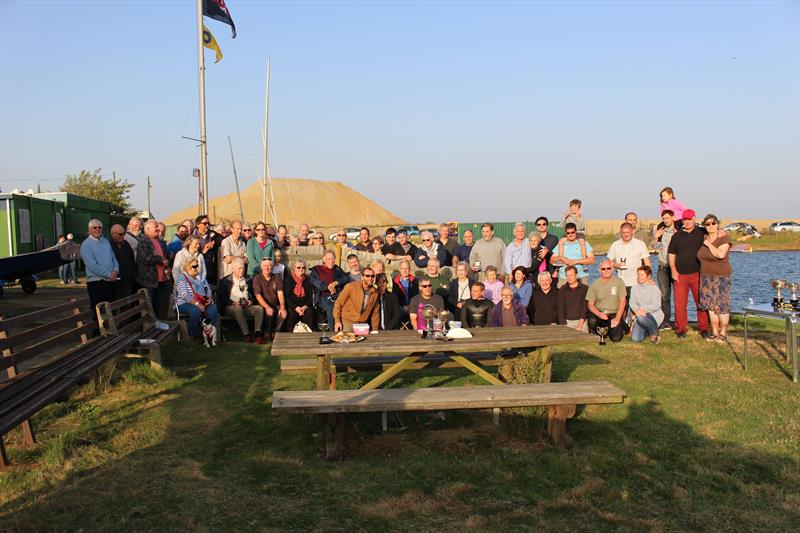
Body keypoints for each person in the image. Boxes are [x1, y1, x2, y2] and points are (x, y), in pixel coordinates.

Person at [667, 209, 711, 339]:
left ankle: (704, 328)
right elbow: (671, 254)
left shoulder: (701, 232)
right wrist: (673, 270)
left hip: (698, 274)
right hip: (680, 275)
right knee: (680, 304)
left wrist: (721, 231)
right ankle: (681, 329)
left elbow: (715, 231)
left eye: (689, 219)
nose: (687, 222)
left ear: (694, 219)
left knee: (701, 302)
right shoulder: (677, 236)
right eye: (685, 219)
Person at [698, 214, 732, 342]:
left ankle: (723, 333)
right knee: (710, 306)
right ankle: (714, 332)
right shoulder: (704, 236)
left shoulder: (723, 238)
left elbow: (720, 254)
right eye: (708, 224)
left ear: (718, 224)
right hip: (705, 277)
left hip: (721, 276)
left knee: (722, 305)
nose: (711, 226)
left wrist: (709, 244)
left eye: (714, 223)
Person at [606, 222, 652, 317]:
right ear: (621, 233)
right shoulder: (616, 245)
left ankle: (634, 327)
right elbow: (609, 261)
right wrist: (617, 265)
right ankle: (621, 326)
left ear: (632, 232)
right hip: (620, 281)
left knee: (635, 306)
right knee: (621, 306)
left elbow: (647, 262)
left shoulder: (640, 244)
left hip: (636, 281)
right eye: (623, 232)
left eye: (628, 232)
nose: (626, 234)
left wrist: (648, 278)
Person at [217, 258, 265, 343]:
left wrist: (251, 301)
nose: (242, 270)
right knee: (238, 309)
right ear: (233, 269)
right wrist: (232, 302)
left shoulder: (248, 280)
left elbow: (253, 294)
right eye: (239, 268)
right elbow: (222, 297)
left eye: (243, 268)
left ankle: (257, 333)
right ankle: (246, 334)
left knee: (259, 309)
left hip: (246, 305)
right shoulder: (225, 280)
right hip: (231, 306)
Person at [175, 256, 219, 341]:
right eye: (194, 266)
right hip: (184, 303)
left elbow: (208, 290)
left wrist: (208, 299)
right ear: (187, 267)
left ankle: (209, 334)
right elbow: (184, 295)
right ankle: (193, 334)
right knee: (195, 311)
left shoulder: (201, 278)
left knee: (213, 309)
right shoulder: (181, 278)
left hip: (201, 301)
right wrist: (197, 304)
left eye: (197, 266)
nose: (196, 268)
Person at [80, 219, 119, 312]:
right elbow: (92, 265)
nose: (97, 229)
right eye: (94, 227)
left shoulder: (106, 241)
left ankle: (112, 327)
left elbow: (114, 259)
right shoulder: (86, 245)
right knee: (100, 313)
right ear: (89, 229)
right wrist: (109, 274)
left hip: (112, 281)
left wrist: (116, 270)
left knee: (112, 310)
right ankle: (99, 327)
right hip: (97, 284)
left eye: (99, 227)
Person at [136, 220, 171, 320]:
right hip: (149, 280)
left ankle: (161, 325)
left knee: (161, 305)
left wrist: (166, 264)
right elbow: (145, 258)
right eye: (155, 227)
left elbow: (164, 257)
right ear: (147, 229)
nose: (158, 229)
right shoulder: (143, 241)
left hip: (162, 280)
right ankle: (151, 328)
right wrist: (160, 259)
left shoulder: (159, 241)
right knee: (150, 307)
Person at [586, 259, 628, 342]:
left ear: (612, 269)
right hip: (600, 313)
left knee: (616, 338)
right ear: (599, 270)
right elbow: (590, 304)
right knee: (592, 320)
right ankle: (602, 332)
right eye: (603, 269)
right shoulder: (594, 284)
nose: (606, 271)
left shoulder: (619, 282)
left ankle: (620, 326)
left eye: (608, 268)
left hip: (614, 314)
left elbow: (623, 302)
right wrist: (599, 314)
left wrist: (617, 319)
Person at [309, 250, 350, 329]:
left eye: (333, 259)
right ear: (324, 260)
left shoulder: (337, 269)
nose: (331, 261)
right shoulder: (317, 270)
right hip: (323, 296)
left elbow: (346, 277)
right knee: (332, 307)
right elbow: (313, 281)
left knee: (347, 304)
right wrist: (328, 286)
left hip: (337, 294)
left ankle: (346, 328)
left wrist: (336, 282)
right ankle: (333, 331)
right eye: (329, 259)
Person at [333, 267, 380, 332]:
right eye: (367, 276)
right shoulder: (350, 287)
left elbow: (375, 312)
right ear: (362, 277)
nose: (370, 278)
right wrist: (337, 321)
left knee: (364, 341)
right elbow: (338, 303)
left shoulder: (375, 292)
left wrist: (375, 329)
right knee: (346, 340)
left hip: (362, 323)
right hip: (347, 321)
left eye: (372, 276)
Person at [550, 223, 595, 288]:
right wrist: (561, 258)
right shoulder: (561, 244)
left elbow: (592, 260)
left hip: (580, 276)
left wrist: (576, 261)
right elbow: (552, 260)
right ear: (566, 233)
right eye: (568, 233)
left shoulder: (583, 243)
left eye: (572, 232)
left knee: (582, 297)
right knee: (562, 297)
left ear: (576, 232)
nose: (570, 234)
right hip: (564, 278)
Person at [253, 257, 287, 340]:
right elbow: (258, 296)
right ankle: (267, 333)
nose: (267, 268)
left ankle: (275, 332)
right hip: (263, 305)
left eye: (269, 266)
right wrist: (267, 307)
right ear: (261, 267)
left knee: (283, 314)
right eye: (265, 266)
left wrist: (282, 307)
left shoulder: (277, 278)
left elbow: (280, 293)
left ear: (272, 267)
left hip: (275, 304)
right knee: (269, 312)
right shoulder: (257, 278)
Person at [654, 210, 677, 329]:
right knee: (664, 296)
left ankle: (679, 321)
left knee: (678, 296)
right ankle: (666, 321)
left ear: (673, 218)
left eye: (667, 218)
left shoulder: (678, 229)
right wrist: (656, 238)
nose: (665, 220)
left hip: (677, 267)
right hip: (663, 266)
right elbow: (656, 249)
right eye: (663, 218)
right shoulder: (661, 230)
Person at [629, 265, 663, 344]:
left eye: (642, 275)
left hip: (653, 315)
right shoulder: (634, 288)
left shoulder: (655, 289)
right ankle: (650, 330)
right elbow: (632, 302)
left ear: (648, 276)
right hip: (639, 314)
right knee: (636, 339)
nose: (639, 277)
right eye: (638, 274)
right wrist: (638, 311)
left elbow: (656, 305)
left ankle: (654, 334)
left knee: (641, 317)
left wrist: (642, 310)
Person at [284, 259, 315, 331]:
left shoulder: (308, 279)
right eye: (298, 267)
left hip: (305, 306)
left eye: (303, 267)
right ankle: (289, 336)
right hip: (293, 306)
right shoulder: (289, 279)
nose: (301, 269)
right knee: (291, 314)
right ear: (294, 269)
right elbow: (287, 296)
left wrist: (305, 306)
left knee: (310, 313)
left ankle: (309, 336)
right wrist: (296, 308)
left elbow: (311, 296)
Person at [557, 266, 588, 332]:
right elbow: (560, 308)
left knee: (583, 339)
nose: (569, 278)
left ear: (576, 275)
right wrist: (563, 324)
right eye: (567, 276)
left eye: (571, 275)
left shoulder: (584, 288)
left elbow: (584, 307)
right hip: (567, 321)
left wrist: (580, 324)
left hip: (581, 321)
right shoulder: (562, 289)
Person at [109, 224, 136, 300]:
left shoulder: (126, 244)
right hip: (115, 282)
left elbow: (132, 259)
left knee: (126, 304)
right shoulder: (108, 245)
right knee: (114, 304)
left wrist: (132, 273)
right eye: (120, 234)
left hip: (127, 281)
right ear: (113, 234)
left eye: (124, 234)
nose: (123, 236)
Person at [194, 214, 222, 284]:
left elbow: (222, 239)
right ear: (198, 225)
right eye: (204, 223)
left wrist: (214, 242)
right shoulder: (192, 237)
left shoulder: (212, 234)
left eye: (208, 223)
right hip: (198, 270)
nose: (207, 225)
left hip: (211, 269)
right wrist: (202, 252)